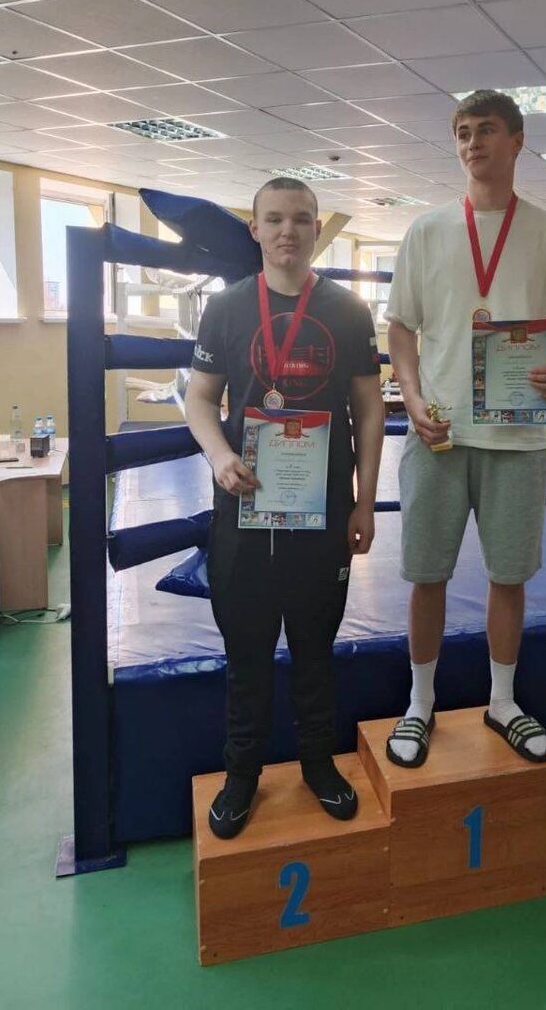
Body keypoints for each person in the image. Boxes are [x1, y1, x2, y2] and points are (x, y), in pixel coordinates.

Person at [384, 89, 546, 767]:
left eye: (487, 130)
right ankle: (419, 703)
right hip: (438, 431)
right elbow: (401, 328)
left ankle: (503, 700)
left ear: (518, 140)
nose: (473, 143)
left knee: (509, 576)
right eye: (464, 132)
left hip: (517, 434)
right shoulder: (428, 229)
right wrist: (411, 397)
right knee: (426, 575)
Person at [185, 177, 384, 838]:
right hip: (243, 511)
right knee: (246, 657)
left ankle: (317, 766)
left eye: (300, 219)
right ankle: (241, 774)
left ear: (317, 228)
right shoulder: (226, 308)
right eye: (273, 219)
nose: (287, 231)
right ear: (255, 229)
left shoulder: (348, 310)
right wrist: (218, 456)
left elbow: (369, 409)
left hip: (322, 513)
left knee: (315, 653)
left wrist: (364, 501)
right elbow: (199, 398)